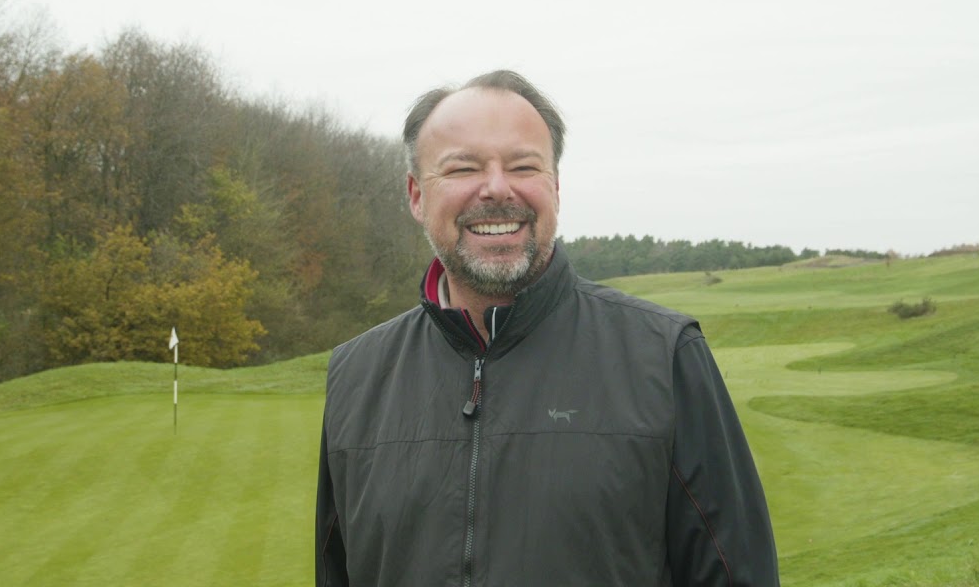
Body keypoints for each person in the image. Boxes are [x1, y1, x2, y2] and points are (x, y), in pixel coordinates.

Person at [315, 70, 779, 586]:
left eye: (523, 166)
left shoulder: (665, 356)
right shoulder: (355, 374)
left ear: (555, 187)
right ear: (416, 195)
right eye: (463, 167)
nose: (496, 188)